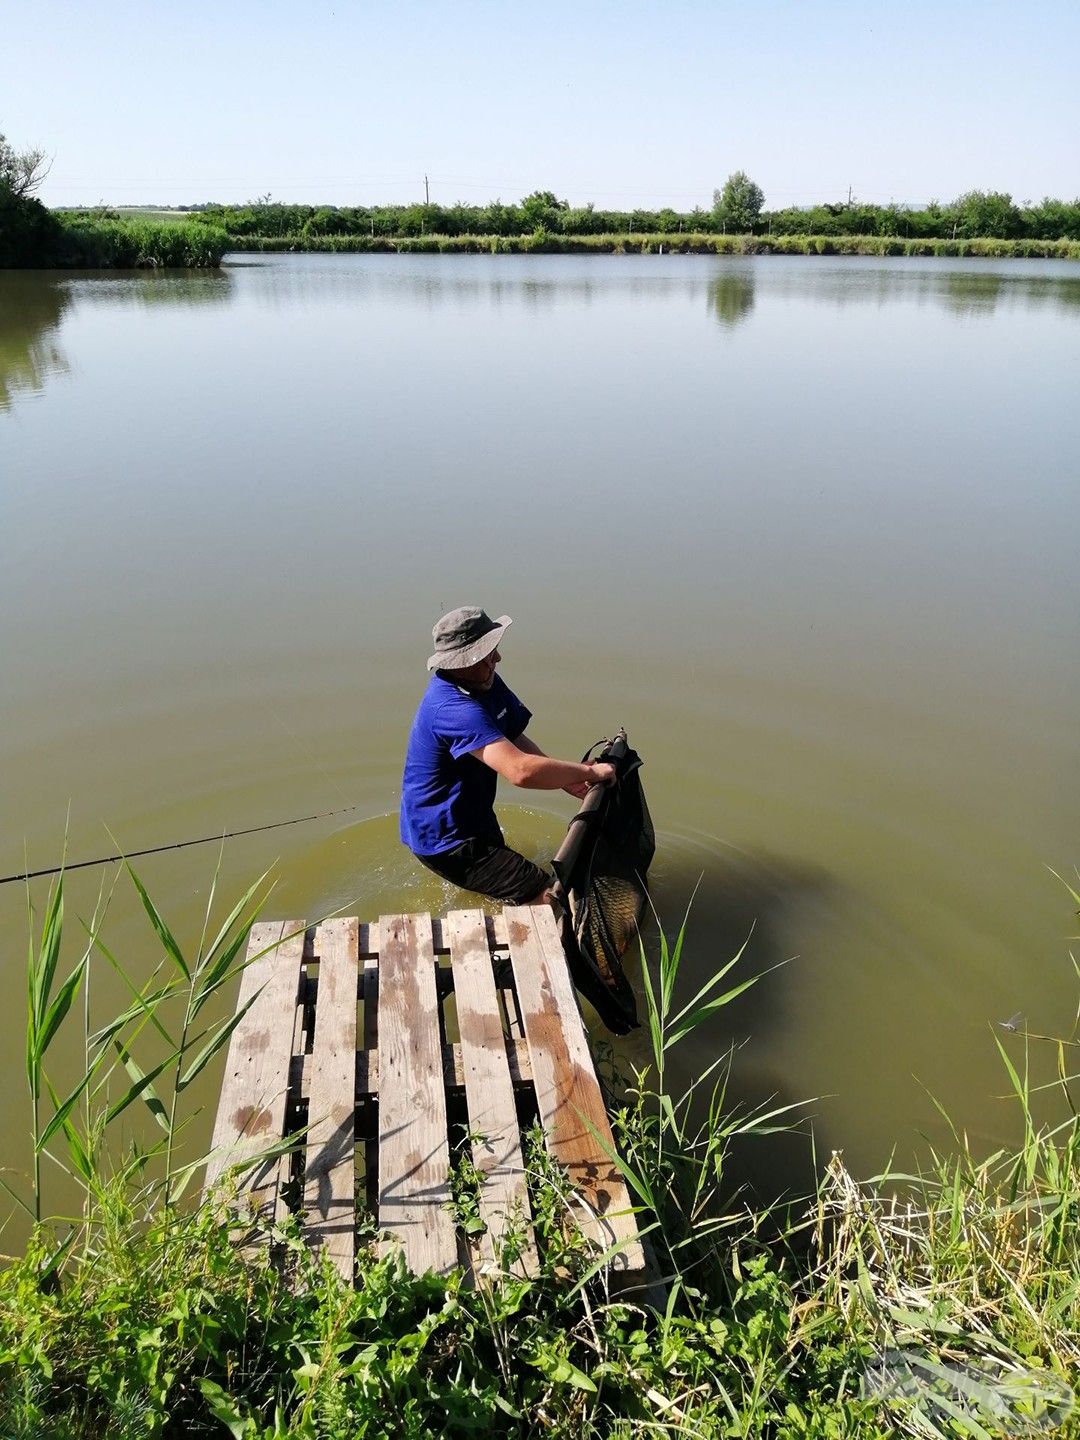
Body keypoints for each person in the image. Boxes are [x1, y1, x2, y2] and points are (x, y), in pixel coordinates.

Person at [400, 606, 615, 905]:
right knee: (550, 900)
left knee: (514, 889)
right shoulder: (451, 709)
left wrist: (568, 780)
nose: (497, 659)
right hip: (445, 840)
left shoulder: (484, 681)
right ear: (464, 661)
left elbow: (513, 736)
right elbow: (520, 771)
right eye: (488, 654)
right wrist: (590, 773)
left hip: (473, 817)